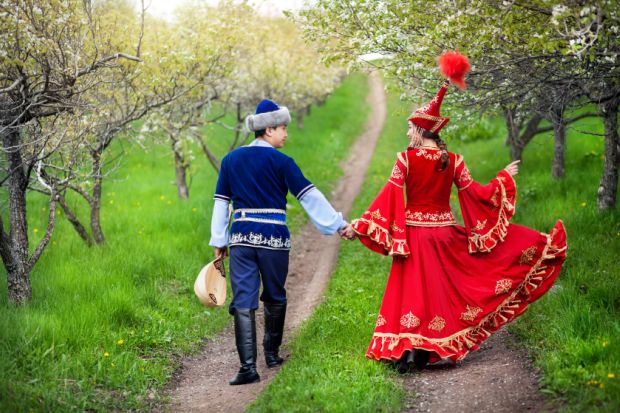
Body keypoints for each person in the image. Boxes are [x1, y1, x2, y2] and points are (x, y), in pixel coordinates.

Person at [343, 80, 568, 371]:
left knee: (414, 291)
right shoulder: (454, 161)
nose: (408, 132)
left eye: (411, 128)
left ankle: (411, 351)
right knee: (440, 291)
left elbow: (388, 197)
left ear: (423, 130)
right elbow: (477, 195)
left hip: (415, 235)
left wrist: (360, 225)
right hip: (445, 234)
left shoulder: (405, 160)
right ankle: (422, 351)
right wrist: (502, 180)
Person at [209, 99, 353, 385]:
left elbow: (221, 204)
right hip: (273, 239)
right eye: (283, 128)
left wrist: (219, 239)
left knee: (244, 301)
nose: (286, 133)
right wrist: (337, 224)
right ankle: (271, 354)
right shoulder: (282, 162)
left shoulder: (230, 160)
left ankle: (248, 368)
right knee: (274, 295)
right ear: (269, 129)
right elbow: (309, 196)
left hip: (241, 237)